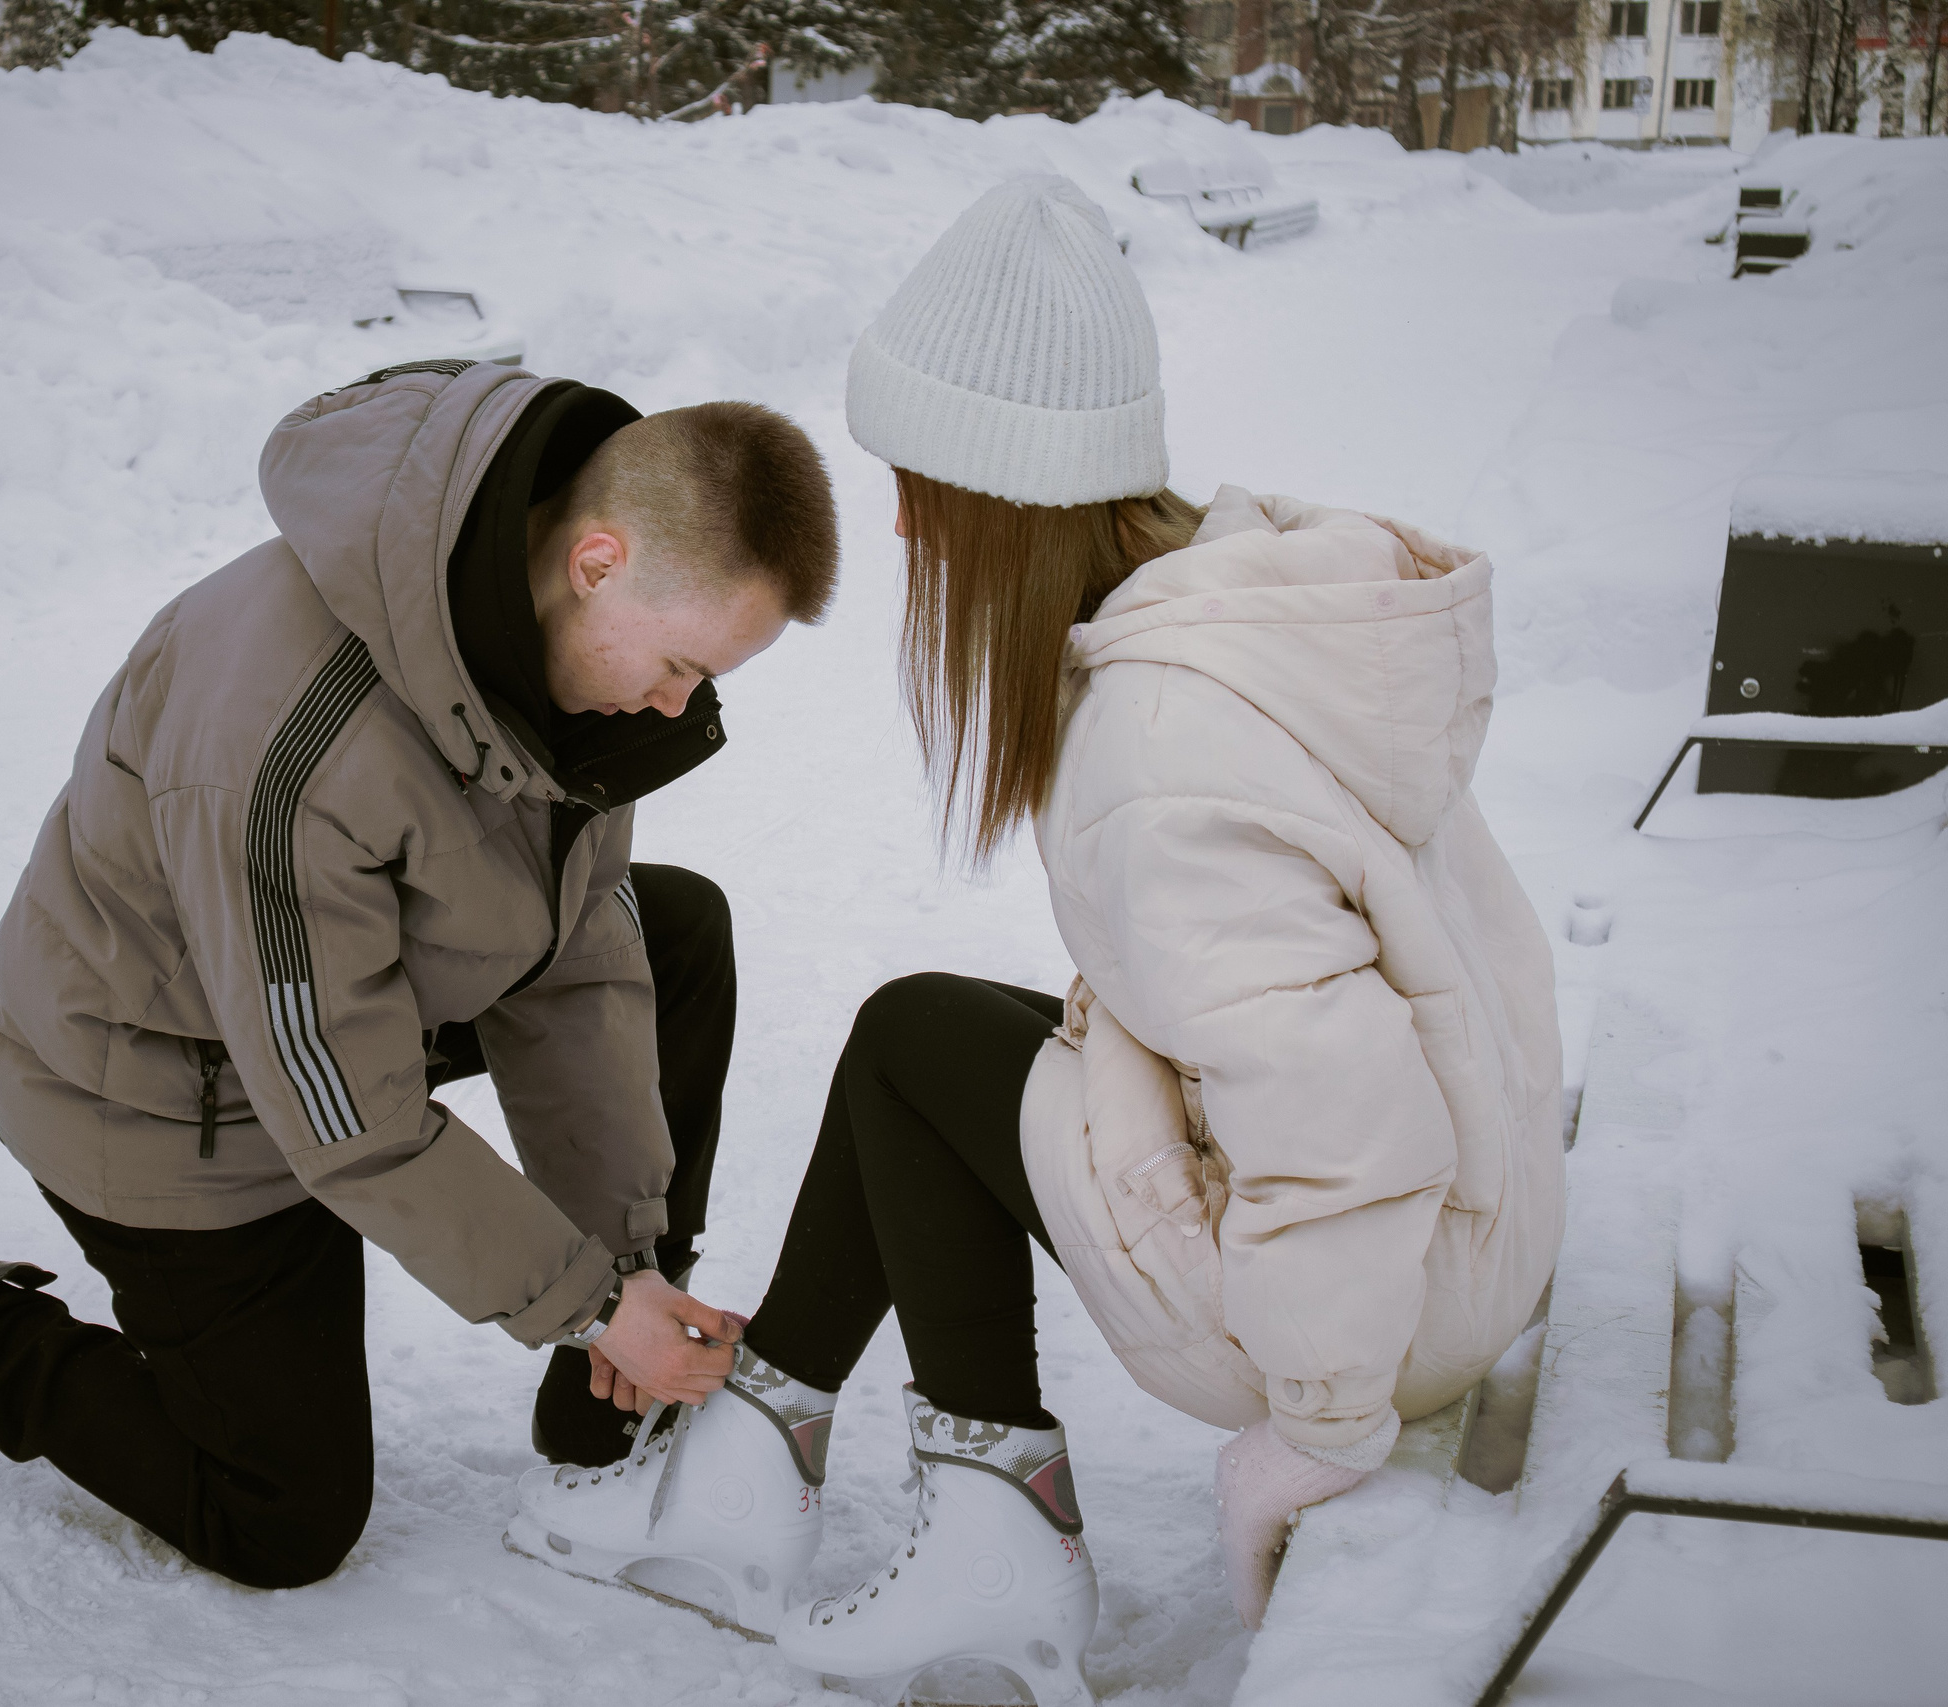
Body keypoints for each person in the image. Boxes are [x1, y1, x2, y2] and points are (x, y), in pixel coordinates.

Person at [512, 178, 1564, 1699]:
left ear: (1006, 494)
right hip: (1465, 1215)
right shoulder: (1233, 599)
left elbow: (1343, 1117)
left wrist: (1321, 1432)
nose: (900, 521)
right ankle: (766, 1466)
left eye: (922, 483)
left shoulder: (1170, 747)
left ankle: (981, 1541)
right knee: (920, 1035)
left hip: (1376, 1306)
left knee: (920, 1048)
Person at [0, 359, 839, 1590]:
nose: (681, 703)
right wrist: (574, 1296)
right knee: (283, 1518)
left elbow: (577, 960)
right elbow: (346, 1117)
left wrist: (623, 1265)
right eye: (680, 663)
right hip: (164, 1089)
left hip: (345, 1003)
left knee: (669, 933)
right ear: (597, 562)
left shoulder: (562, 661)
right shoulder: (287, 745)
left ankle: (608, 1388)